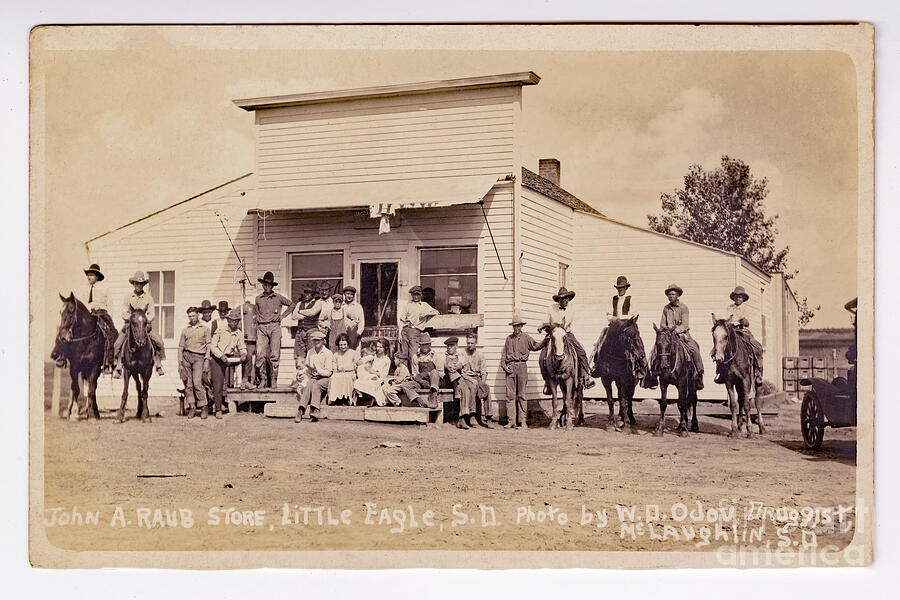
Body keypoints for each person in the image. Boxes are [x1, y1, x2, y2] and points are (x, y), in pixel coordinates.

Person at [646, 284, 704, 390]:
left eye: (673, 294)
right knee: (655, 350)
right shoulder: (666, 308)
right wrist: (667, 329)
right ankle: (653, 376)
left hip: (682, 334)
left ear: (677, 295)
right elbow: (662, 323)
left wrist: (676, 330)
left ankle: (699, 374)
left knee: (694, 348)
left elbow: (685, 324)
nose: (671, 296)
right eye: (669, 294)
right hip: (668, 334)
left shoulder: (683, 307)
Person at [500, 312, 548, 429]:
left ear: (521, 326)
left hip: (522, 368)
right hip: (510, 368)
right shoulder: (508, 339)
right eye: (514, 326)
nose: (516, 328)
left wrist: (545, 340)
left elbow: (536, 346)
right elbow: (503, 356)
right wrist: (505, 367)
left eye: (518, 326)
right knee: (510, 396)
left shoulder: (526, 338)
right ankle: (511, 421)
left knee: (522, 395)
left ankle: (523, 421)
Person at [113, 271, 165, 378]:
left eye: (141, 284)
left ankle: (158, 363)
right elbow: (124, 312)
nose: (138, 286)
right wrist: (132, 319)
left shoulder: (148, 298)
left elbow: (151, 314)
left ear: (143, 285)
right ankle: (118, 365)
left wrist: (144, 320)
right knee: (117, 344)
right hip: (130, 324)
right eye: (136, 283)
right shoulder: (128, 297)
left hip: (144, 324)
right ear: (133, 284)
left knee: (158, 341)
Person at [543, 286, 594, 391]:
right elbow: (544, 321)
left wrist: (553, 325)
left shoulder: (571, 309)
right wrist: (545, 326)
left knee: (581, 352)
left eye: (567, 298)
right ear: (558, 300)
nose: (565, 300)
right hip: (552, 334)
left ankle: (586, 376)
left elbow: (565, 323)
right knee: (542, 356)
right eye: (562, 298)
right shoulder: (551, 308)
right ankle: (547, 381)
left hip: (566, 333)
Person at [714, 286, 763, 386]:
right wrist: (733, 322)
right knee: (719, 346)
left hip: (743, 331)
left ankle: (758, 371)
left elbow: (745, 321)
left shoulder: (746, 308)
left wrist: (739, 321)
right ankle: (720, 372)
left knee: (756, 346)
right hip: (732, 331)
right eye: (736, 297)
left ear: (743, 298)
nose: (738, 299)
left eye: (740, 297)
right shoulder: (729, 308)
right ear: (733, 298)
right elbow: (729, 320)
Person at [254, 272, 294, 388]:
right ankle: (263, 378)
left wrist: (282, 316)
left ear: (272, 286)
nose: (266, 286)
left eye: (268, 284)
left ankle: (274, 378)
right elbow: (256, 313)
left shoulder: (278, 297)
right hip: (261, 328)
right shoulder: (258, 299)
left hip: (275, 327)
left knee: (274, 355)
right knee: (260, 354)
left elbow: (292, 305)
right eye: (264, 284)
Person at [209, 309, 247, 419]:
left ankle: (245, 380)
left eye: (236, 321)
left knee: (248, 358)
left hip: (230, 357)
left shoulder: (239, 333)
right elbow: (213, 347)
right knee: (218, 384)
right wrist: (221, 355)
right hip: (218, 358)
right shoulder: (220, 330)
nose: (234, 323)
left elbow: (242, 346)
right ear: (228, 320)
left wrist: (243, 354)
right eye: (232, 321)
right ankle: (218, 409)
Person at [78, 263, 116, 373]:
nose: (89, 277)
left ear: (97, 276)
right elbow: (82, 304)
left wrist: (108, 317)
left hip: (101, 313)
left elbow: (111, 305)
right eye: (88, 275)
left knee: (111, 334)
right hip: (89, 314)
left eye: (92, 275)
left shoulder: (105, 288)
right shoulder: (83, 289)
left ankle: (109, 362)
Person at [178, 306, 211, 419]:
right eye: (190, 316)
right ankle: (192, 407)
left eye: (193, 315)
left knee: (197, 383)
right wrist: (180, 363)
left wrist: (206, 360)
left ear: (198, 315)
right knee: (188, 384)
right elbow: (181, 347)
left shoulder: (205, 329)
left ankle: (204, 407)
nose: (192, 318)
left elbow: (208, 346)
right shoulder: (185, 330)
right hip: (187, 357)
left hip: (199, 358)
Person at [295, 330, 333, 423]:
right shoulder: (310, 352)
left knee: (316, 386)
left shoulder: (328, 353)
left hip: (325, 379)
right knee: (308, 385)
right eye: (314, 340)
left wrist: (319, 372)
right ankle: (301, 410)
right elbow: (308, 366)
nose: (316, 342)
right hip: (313, 377)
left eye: (318, 340)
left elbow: (329, 373)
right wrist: (307, 371)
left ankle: (314, 410)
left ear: (323, 340)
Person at [459, 332, 495, 428]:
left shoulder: (480, 354)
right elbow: (462, 373)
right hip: (467, 378)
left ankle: (488, 417)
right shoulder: (462, 353)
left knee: (486, 390)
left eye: (472, 343)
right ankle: (472, 415)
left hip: (478, 378)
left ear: (476, 343)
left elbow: (484, 371)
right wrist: (471, 379)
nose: (470, 345)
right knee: (473, 387)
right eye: (468, 343)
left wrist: (482, 384)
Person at [399, 285, 440, 359]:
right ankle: (405, 370)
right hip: (405, 330)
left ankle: (414, 371)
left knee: (413, 355)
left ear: (421, 295)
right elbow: (402, 320)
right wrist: (399, 333)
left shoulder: (424, 305)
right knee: (403, 355)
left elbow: (437, 312)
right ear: (411, 295)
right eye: (414, 294)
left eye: (418, 294)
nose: (416, 296)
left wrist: (426, 314)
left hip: (415, 331)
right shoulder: (407, 306)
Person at [291, 287, 326, 366]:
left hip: (312, 330)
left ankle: (312, 375)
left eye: (309, 293)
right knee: (299, 355)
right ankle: (301, 375)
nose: (307, 295)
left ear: (313, 294)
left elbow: (312, 313)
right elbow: (293, 316)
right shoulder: (300, 303)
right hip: (300, 331)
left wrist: (300, 312)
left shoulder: (318, 302)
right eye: (306, 293)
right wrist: (304, 315)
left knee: (312, 354)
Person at [353, 339, 392, 406]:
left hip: (377, 378)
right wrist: (362, 361)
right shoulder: (373, 356)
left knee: (373, 381)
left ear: (385, 348)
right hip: (368, 375)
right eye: (377, 346)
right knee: (358, 382)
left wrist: (372, 371)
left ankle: (371, 398)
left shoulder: (387, 360)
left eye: (380, 347)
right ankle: (361, 396)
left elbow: (383, 375)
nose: (378, 348)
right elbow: (359, 362)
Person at [410, 332, 444, 409]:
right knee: (406, 385)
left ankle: (433, 397)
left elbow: (441, 373)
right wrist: (421, 381)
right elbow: (414, 373)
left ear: (430, 345)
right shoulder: (415, 356)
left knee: (435, 372)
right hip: (422, 382)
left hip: (435, 382)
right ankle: (421, 402)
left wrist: (429, 374)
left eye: (426, 344)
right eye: (422, 344)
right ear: (420, 345)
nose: (424, 346)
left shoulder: (436, 356)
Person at [441, 337, 470, 429]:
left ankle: (462, 418)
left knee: (465, 389)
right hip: (446, 381)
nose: (449, 348)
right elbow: (441, 365)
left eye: (452, 346)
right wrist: (448, 366)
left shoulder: (460, 355)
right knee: (452, 372)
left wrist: (456, 366)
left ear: (456, 346)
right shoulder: (442, 355)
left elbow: (461, 364)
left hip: (457, 380)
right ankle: (457, 390)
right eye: (448, 346)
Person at [327, 333, 358, 405]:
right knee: (335, 377)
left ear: (348, 344)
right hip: (339, 373)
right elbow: (334, 369)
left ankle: (346, 398)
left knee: (346, 377)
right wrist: (338, 370)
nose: (343, 347)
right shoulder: (336, 355)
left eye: (345, 344)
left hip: (350, 373)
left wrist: (347, 369)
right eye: (341, 345)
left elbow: (357, 365)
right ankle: (335, 398)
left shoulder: (353, 353)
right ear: (338, 345)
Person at [240, 300, 258, 389]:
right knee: (246, 357)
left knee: (253, 357)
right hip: (242, 340)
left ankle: (254, 379)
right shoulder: (239, 310)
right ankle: (245, 380)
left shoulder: (256, 309)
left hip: (254, 339)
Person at [341, 285, 365, 350]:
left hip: (354, 332)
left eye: (351, 294)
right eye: (348, 294)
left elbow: (361, 322)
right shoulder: (341, 306)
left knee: (352, 351)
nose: (349, 296)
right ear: (344, 294)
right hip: (342, 331)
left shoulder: (357, 306)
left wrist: (358, 333)